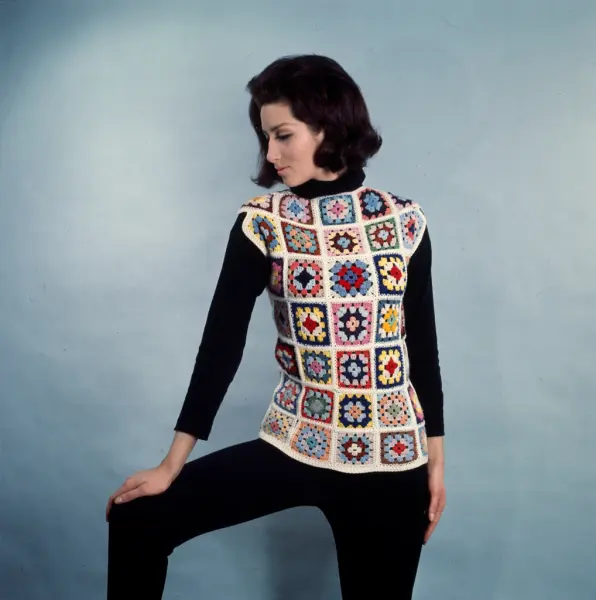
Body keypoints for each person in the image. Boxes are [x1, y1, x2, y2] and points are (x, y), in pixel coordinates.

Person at [105, 54, 446, 600]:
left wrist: (435, 464)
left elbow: (421, 349)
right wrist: (171, 465)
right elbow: (221, 344)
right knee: (136, 520)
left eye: (283, 135)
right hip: (296, 439)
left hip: (391, 457)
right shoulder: (263, 222)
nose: (270, 153)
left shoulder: (403, 222)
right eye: (266, 137)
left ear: (328, 126)